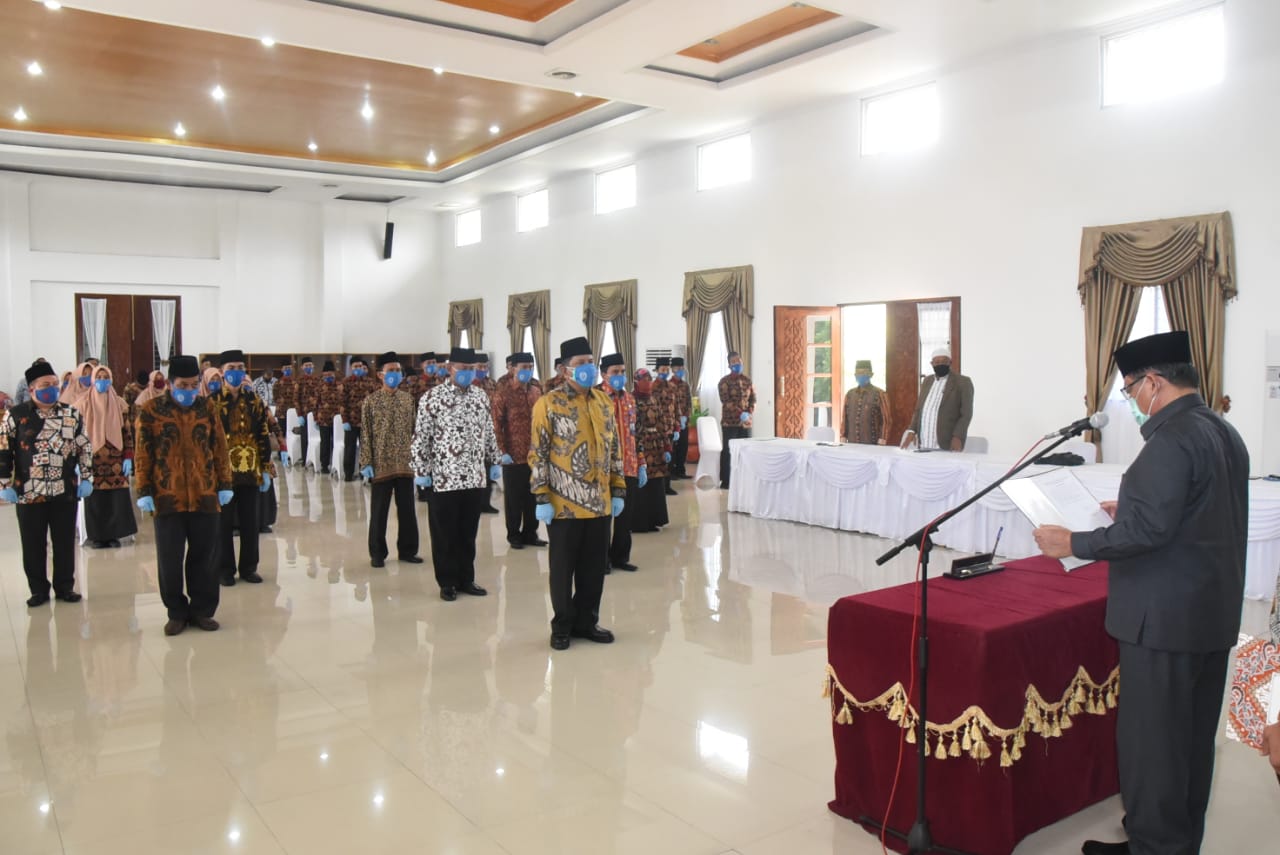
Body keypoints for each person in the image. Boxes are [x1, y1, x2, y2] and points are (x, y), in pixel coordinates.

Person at [1031, 331, 1248, 855]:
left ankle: (1153, 846)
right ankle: (1175, 841)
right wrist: (1126, 507)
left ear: (1153, 382)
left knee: (1154, 746)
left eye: (1129, 390)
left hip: (1162, 623)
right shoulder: (1223, 431)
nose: (1130, 401)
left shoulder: (1171, 439)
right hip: (1208, 617)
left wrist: (1073, 542)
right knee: (1191, 742)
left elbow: (1149, 533)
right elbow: (1195, 513)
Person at [530, 336, 626, 651]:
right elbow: (538, 453)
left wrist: (618, 488)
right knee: (562, 569)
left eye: (590, 362)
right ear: (564, 369)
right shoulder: (549, 403)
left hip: (599, 503)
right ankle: (562, 626)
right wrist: (541, 496)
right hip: (564, 505)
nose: (588, 368)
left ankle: (587, 621)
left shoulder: (603, 402)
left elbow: (614, 449)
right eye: (580, 363)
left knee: (593, 569)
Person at [134, 354, 233, 636]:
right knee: (170, 559)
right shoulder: (151, 410)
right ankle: (176, 612)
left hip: (205, 493)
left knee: (205, 557)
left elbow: (219, 448)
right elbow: (143, 454)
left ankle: (202, 610)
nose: (189, 391)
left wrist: (225, 484)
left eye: (193, 385)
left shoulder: (207, 407)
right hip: (167, 495)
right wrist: (143, 490)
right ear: (170, 384)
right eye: (182, 385)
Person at [411, 347, 502, 601]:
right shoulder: (433, 397)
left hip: (474, 477)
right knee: (445, 534)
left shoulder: (480, 396)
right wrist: (421, 470)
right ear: (450, 368)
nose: (467, 373)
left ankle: (466, 578)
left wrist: (494, 459)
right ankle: (447, 582)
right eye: (463, 369)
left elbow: (489, 431)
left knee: (468, 533)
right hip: (444, 478)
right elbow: (421, 436)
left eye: (471, 369)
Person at [0, 361, 93, 606]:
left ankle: (65, 587)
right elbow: (3, 450)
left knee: (64, 542)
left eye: (54, 384)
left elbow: (84, 447)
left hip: (65, 490)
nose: (52, 389)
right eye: (45, 385)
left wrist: (87, 477)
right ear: (32, 389)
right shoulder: (16, 415)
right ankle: (38, 590)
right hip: (28, 492)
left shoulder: (71, 414)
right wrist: (3, 484)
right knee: (33, 543)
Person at [208, 349, 274, 587]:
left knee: (250, 523)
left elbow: (263, 434)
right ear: (222, 372)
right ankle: (225, 570)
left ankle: (249, 567)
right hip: (223, 475)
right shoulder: (212, 402)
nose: (235, 373)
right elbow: (207, 440)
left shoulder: (254, 400)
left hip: (250, 471)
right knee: (222, 525)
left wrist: (265, 467)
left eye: (239, 368)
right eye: (231, 369)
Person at [359, 352, 421, 568]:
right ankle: (377, 553)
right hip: (381, 463)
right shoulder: (371, 401)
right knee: (379, 511)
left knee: (407, 509)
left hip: (405, 462)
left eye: (397, 371)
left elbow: (415, 431)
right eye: (390, 371)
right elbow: (365, 434)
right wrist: (366, 462)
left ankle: (408, 550)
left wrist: (418, 459)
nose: (395, 374)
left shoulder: (408, 400)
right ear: (380, 375)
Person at [81, 364, 137, 548]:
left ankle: (114, 535)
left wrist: (128, 456)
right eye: (99, 377)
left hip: (115, 459)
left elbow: (127, 433)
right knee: (95, 499)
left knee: (116, 498)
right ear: (93, 380)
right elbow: (77, 436)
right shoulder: (83, 404)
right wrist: (76, 460)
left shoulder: (120, 403)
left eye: (106, 378)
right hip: (92, 458)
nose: (102, 381)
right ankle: (97, 537)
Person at [493, 352, 544, 550]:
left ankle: (531, 533)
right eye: (524, 367)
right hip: (513, 456)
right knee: (514, 499)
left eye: (530, 367)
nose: (528, 370)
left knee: (533, 497)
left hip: (535, 455)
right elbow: (496, 424)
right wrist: (501, 451)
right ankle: (514, 534)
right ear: (513, 368)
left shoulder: (536, 392)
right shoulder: (503, 394)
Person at [601, 353, 644, 571]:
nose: (619, 376)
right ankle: (601, 561)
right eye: (615, 372)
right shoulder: (596, 397)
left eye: (622, 372)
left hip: (629, 466)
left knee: (625, 518)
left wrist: (641, 463)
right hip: (604, 469)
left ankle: (620, 558)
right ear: (604, 374)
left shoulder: (629, 399)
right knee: (603, 520)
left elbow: (637, 433)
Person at [901, 347, 973, 451]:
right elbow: (919, 410)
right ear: (932, 364)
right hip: (923, 442)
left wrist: (957, 436)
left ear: (950, 362)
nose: (940, 364)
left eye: (944, 361)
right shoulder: (927, 381)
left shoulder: (963, 382)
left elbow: (966, 414)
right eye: (937, 362)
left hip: (947, 443)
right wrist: (912, 431)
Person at [630, 368, 671, 533]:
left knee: (656, 484)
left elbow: (661, 423)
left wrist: (666, 446)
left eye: (649, 379)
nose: (647, 382)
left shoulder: (654, 399)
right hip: (640, 446)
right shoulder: (631, 400)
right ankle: (641, 523)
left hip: (656, 447)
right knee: (642, 485)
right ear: (636, 382)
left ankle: (655, 520)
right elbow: (632, 427)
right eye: (643, 379)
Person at [717, 351, 756, 489]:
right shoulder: (724, 382)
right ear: (729, 365)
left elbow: (753, 399)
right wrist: (740, 413)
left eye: (738, 361)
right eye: (733, 362)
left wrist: (749, 412)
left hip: (745, 422)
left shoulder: (747, 380)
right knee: (728, 451)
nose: (737, 364)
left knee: (746, 451)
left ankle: (744, 478)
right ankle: (726, 481)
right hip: (730, 422)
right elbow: (726, 401)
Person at [341, 356, 380, 481]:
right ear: (351, 368)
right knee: (350, 449)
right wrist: (345, 420)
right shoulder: (346, 382)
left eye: (360, 366)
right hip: (351, 422)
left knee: (366, 449)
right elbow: (342, 403)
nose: (358, 368)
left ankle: (365, 474)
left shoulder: (370, 382)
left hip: (366, 422)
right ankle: (348, 474)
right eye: (355, 366)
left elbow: (375, 401)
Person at [841, 359, 891, 445]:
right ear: (855, 375)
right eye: (858, 373)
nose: (861, 376)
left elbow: (886, 420)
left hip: (872, 444)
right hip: (852, 443)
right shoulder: (850, 394)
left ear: (871, 375)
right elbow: (845, 418)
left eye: (864, 373)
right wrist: (843, 436)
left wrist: (883, 438)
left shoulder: (880, 394)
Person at [653, 357, 681, 497]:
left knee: (670, 458)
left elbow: (677, 408)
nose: (665, 372)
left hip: (670, 428)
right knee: (658, 458)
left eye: (667, 369)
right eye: (662, 369)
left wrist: (677, 428)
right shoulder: (652, 387)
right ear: (657, 370)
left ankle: (667, 486)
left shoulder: (672, 387)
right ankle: (658, 487)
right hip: (657, 429)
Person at [316, 360, 343, 474]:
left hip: (338, 420)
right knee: (325, 443)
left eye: (330, 374)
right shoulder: (319, 386)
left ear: (334, 374)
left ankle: (336, 464)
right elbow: (315, 403)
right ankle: (324, 465)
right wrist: (315, 418)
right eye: (326, 375)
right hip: (323, 419)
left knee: (336, 443)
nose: (328, 377)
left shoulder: (340, 386)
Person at [669, 357, 693, 479]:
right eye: (678, 368)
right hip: (672, 423)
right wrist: (676, 420)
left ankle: (680, 470)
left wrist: (686, 416)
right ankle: (671, 472)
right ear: (672, 369)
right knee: (673, 446)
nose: (680, 370)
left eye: (682, 368)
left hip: (684, 421)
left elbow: (689, 403)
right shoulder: (668, 385)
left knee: (683, 446)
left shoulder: (685, 385)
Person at [295, 357, 320, 467]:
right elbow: (296, 399)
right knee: (305, 437)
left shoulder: (317, 380)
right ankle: (305, 459)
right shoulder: (299, 380)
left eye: (310, 365)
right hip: (304, 413)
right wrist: (299, 414)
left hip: (316, 413)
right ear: (302, 367)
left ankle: (316, 460)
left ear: (313, 366)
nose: (308, 367)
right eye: (306, 365)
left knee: (317, 437)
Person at [273, 360, 297, 463]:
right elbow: (275, 397)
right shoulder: (278, 383)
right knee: (281, 433)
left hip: (293, 413)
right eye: (286, 368)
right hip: (281, 412)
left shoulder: (295, 382)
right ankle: (281, 453)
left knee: (291, 433)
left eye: (289, 368)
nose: (288, 370)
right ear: (282, 370)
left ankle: (291, 453)